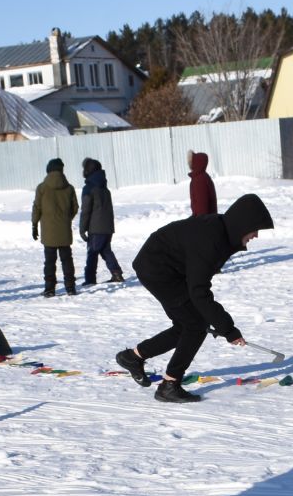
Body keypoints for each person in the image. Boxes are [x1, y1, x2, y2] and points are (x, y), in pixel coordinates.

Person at [114, 193, 272, 404]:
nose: (256, 235)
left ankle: (133, 357)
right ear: (243, 224)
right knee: (195, 325)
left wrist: (224, 327)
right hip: (157, 269)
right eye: (255, 229)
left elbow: (198, 285)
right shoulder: (212, 240)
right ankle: (169, 385)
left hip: (167, 268)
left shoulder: (221, 233)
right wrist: (228, 329)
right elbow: (199, 291)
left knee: (186, 324)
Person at [31, 157, 78, 297]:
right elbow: (75, 207)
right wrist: (66, 218)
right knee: (67, 260)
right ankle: (70, 287)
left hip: (48, 232)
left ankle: (50, 289)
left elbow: (37, 207)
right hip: (64, 230)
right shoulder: (69, 188)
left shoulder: (42, 188)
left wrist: (34, 224)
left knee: (50, 262)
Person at [79, 158, 123, 288]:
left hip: (96, 228)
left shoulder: (89, 188)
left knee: (92, 252)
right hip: (107, 226)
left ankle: (90, 279)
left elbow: (86, 210)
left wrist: (82, 228)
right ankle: (116, 273)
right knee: (106, 250)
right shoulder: (104, 187)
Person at [188, 150, 217, 217]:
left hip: (204, 222)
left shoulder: (199, 180)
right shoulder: (203, 177)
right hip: (207, 220)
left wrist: (200, 223)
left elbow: (202, 206)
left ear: (196, 163)